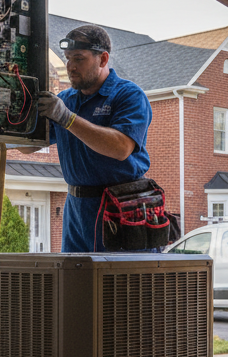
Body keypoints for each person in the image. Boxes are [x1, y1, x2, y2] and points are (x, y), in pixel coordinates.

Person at [36, 24, 153, 252]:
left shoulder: (128, 95)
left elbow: (121, 147)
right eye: (68, 58)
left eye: (79, 58)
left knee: (118, 284)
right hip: (76, 209)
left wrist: (67, 118)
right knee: (75, 281)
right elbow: (31, 147)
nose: (70, 66)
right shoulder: (65, 100)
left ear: (103, 59)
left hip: (120, 207)